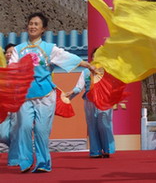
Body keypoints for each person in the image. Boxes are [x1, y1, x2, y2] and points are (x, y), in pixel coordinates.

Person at [9, 12, 96, 173]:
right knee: (25, 127)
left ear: (43, 29)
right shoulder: (18, 50)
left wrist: (87, 65)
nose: (32, 26)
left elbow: (68, 57)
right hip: (24, 96)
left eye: (36, 24)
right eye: (30, 23)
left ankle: (43, 163)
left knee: (41, 130)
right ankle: (25, 161)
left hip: (45, 96)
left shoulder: (49, 49)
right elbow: (12, 69)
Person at [66, 50, 115, 159]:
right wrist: (71, 93)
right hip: (89, 101)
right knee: (92, 124)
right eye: (95, 56)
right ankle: (95, 151)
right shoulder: (85, 72)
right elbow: (79, 87)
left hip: (104, 100)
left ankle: (107, 149)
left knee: (104, 123)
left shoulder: (108, 71)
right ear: (92, 58)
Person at [0, 43, 20, 166]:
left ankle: (14, 159)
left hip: (18, 105)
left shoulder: (21, 70)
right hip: (4, 106)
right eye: (7, 52)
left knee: (15, 131)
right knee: (3, 135)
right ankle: (19, 146)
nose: (9, 54)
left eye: (11, 52)